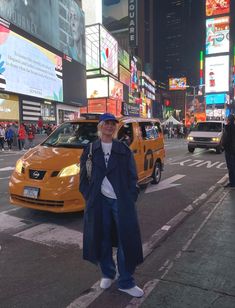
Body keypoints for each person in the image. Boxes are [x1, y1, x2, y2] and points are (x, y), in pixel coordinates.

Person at [79, 113, 144, 298]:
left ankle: (125, 281)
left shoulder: (123, 149)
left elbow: (133, 177)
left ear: (116, 128)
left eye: (112, 124)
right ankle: (108, 272)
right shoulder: (90, 148)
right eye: (106, 123)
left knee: (126, 239)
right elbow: (83, 177)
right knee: (102, 237)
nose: (109, 126)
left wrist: (131, 196)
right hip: (99, 201)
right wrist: (89, 196)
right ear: (100, 126)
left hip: (121, 201)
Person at [222, 114, 235, 188]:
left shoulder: (227, 127)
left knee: (231, 166)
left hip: (229, 150)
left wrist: (223, 145)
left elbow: (226, 139)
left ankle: (232, 183)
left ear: (228, 120)